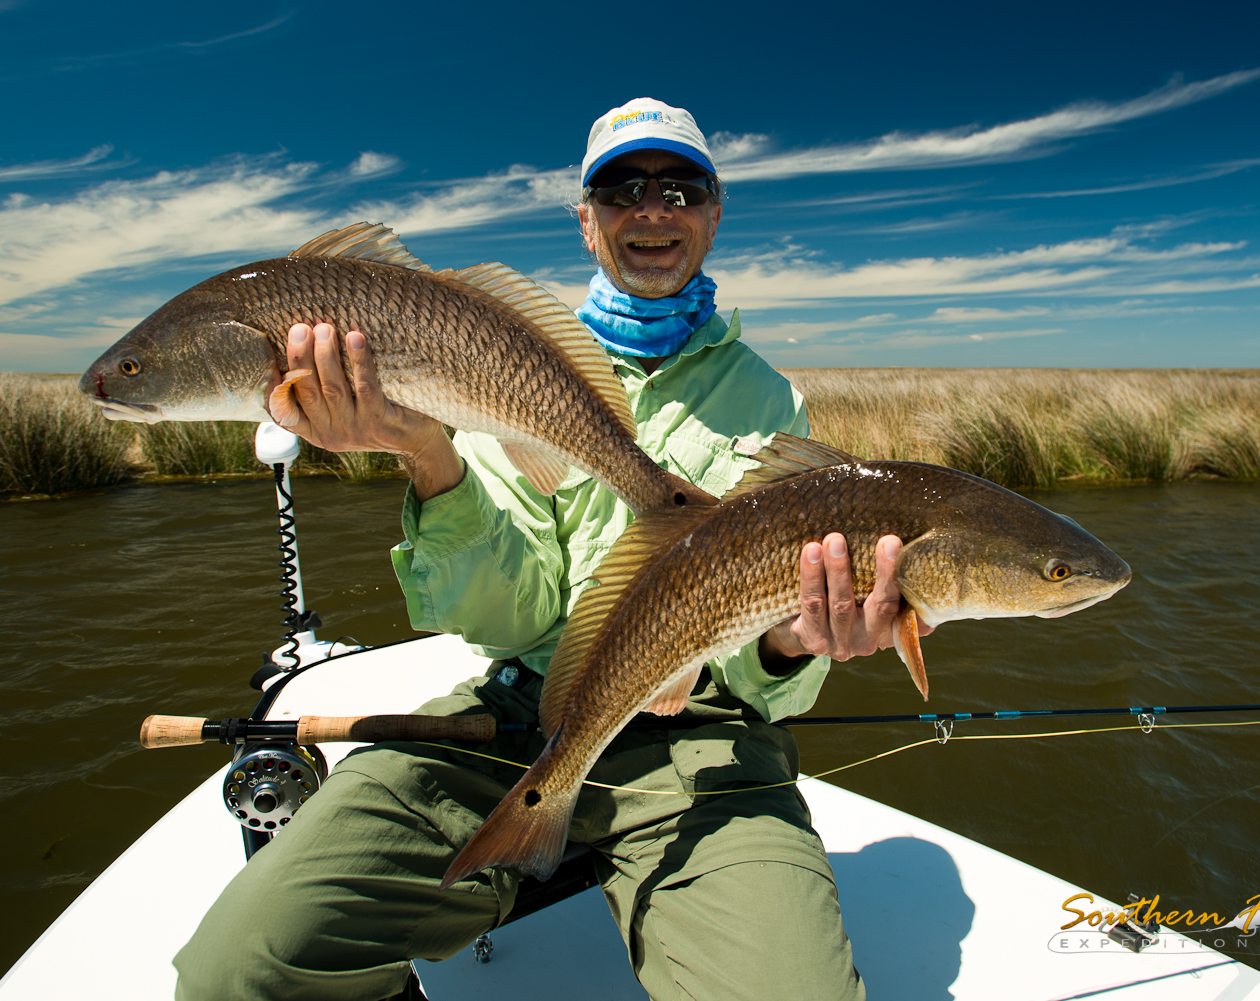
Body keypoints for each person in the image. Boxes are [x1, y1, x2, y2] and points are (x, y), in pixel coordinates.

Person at [174, 98, 928, 1001]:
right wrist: (424, 448)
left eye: (681, 187)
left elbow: (773, 682)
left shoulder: (771, 401)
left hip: (710, 750)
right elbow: (513, 615)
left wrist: (794, 642)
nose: (653, 209)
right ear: (586, 219)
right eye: (621, 188)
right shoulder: (499, 360)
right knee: (239, 971)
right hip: (513, 718)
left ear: (715, 213)